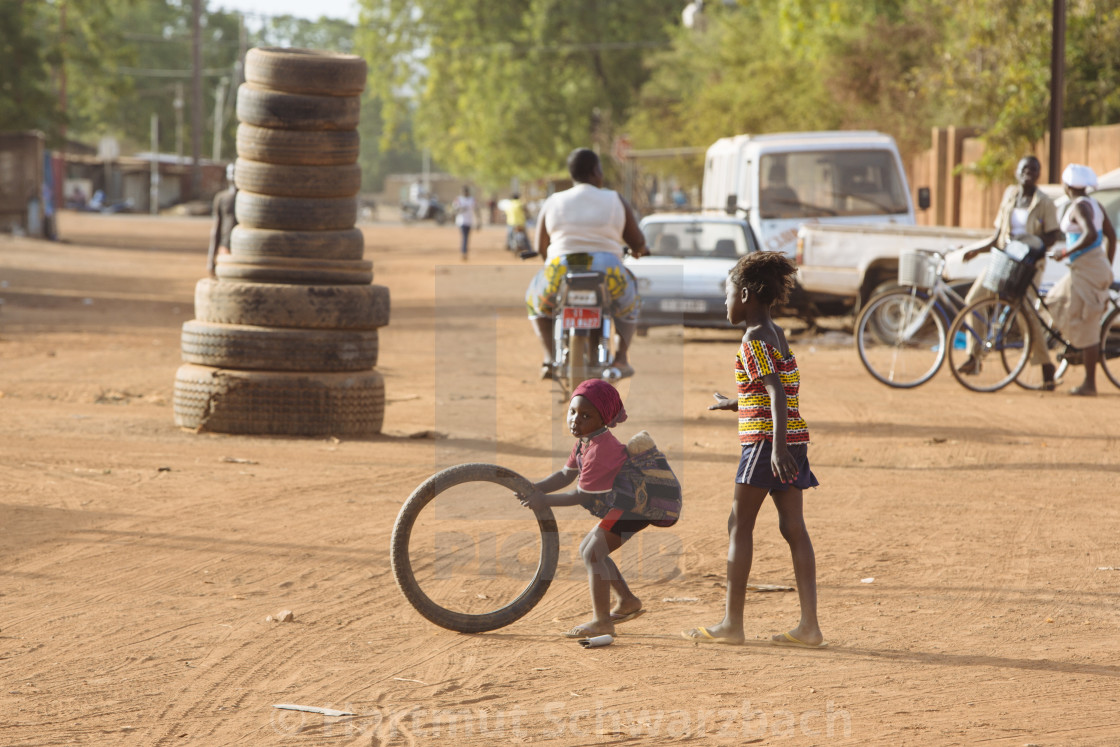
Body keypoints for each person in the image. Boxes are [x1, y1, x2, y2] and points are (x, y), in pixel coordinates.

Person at [682, 252, 825, 648]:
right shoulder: (776, 333)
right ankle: (809, 627)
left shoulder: (752, 338)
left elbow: (777, 393)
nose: (724, 304)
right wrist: (738, 402)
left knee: (737, 525)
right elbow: (774, 388)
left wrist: (774, 448)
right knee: (793, 528)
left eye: (726, 295)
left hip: (767, 444)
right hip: (793, 440)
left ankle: (732, 624)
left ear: (744, 294)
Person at [518, 379, 681, 639]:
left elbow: (582, 496)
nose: (575, 420)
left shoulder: (599, 450)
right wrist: (532, 488)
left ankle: (602, 621)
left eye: (585, 415)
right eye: (572, 412)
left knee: (594, 553)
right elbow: (564, 475)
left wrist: (543, 501)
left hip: (633, 509)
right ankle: (627, 601)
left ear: (603, 419)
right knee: (591, 551)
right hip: (624, 504)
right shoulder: (584, 442)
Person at [525, 148, 649, 379]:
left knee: (535, 303)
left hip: (561, 269)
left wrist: (551, 264)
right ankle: (621, 359)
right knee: (630, 303)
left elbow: (541, 245)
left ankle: (551, 358)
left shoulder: (554, 201)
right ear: (595, 171)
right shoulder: (614, 199)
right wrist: (640, 249)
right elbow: (637, 241)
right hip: (608, 269)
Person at [957, 155, 1063, 388]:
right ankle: (974, 356)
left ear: (1038, 174)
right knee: (974, 299)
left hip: (1029, 264)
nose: (1029, 173)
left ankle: (1046, 366)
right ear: (1017, 171)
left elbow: (1053, 235)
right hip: (1005, 259)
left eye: (1034, 170)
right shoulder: (1009, 197)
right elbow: (998, 236)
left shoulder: (1044, 202)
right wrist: (976, 250)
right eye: (1025, 168)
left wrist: (1031, 244)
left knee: (1025, 310)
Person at [1045, 164, 1117, 396]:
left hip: (1087, 267)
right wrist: (1106, 263)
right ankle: (1075, 345)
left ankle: (1089, 383)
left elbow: (1091, 234)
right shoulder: (1095, 204)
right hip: (1086, 268)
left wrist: (1064, 253)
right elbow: (1111, 237)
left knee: (1088, 326)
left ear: (1066, 186)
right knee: (1055, 299)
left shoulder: (1079, 206)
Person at [208, 163, 237, 278]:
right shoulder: (221, 198)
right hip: (225, 245)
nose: (233, 176)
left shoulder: (248, 199)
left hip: (243, 247)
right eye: (231, 173)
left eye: (235, 173)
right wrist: (211, 258)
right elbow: (216, 229)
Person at [451, 186, 479, 261]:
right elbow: (454, 210)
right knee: (465, 237)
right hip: (461, 221)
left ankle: (464, 251)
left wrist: (479, 221)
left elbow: (477, 210)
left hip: (469, 221)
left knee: (466, 237)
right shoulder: (458, 199)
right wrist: (460, 210)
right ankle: (464, 252)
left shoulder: (472, 199)